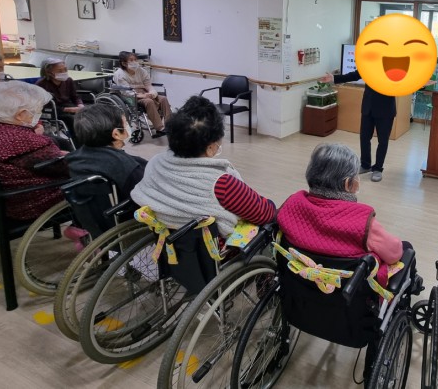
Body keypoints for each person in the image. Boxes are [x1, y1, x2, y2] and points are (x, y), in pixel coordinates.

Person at [277, 143, 414, 382]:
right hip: (351, 316)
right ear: (349, 184)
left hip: (300, 305)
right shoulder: (363, 222)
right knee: (406, 249)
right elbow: (393, 253)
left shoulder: (292, 205)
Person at [131, 95, 276, 237]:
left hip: (168, 239)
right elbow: (264, 214)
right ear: (210, 148)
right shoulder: (221, 183)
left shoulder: (155, 162)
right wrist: (270, 205)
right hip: (211, 246)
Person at [0, 81, 67, 220]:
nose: (39, 115)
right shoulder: (24, 141)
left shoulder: (3, 132)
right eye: (38, 110)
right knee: (92, 176)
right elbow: (65, 168)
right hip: (30, 202)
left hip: (6, 200)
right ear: (21, 115)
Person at [320, 70, 394, 182]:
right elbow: (354, 75)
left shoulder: (392, 66)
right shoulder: (369, 65)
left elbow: (402, 83)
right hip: (368, 108)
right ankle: (365, 164)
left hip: (385, 109)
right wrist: (334, 78)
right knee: (364, 137)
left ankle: (378, 169)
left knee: (383, 141)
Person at [66, 103, 149, 199]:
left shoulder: (74, 158)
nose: (128, 127)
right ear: (116, 134)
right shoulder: (129, 167)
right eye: (126, 123)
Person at [112, 51, 171, 137]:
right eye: (131, 60)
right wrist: (143, 96)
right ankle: (160, 128)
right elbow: (126, 92)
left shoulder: (141, 71)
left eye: (135, 60)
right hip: (130, 97)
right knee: (149, 101)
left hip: (144, 92)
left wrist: (152, 93)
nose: (134, 62)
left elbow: (148, 85)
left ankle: (170, 125)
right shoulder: (119, 74)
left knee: (163, 99)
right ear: (124, 63)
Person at [35, 56, 84, 142]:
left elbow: (75, 96)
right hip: (53, 110)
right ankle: (78, 142)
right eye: (60, 71)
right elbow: (44, 106)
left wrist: (80, 104)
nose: (64, 72)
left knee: (90, 113)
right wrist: (69, 109)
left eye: (65, 69)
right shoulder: (41, 84)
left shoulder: (68, 80)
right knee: (73, 119)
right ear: (49, 72)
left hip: (69, 106)